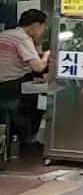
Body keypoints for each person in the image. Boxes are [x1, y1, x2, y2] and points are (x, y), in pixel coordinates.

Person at [0, 8, 50, 149]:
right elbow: (38, 67)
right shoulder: (23, 39)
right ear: (35, 25)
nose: (43, 31)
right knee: (39, 102)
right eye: (43, 27)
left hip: (4, 82)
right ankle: (27, 140)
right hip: (10, 86)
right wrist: (46, 55)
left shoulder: (5, 34)